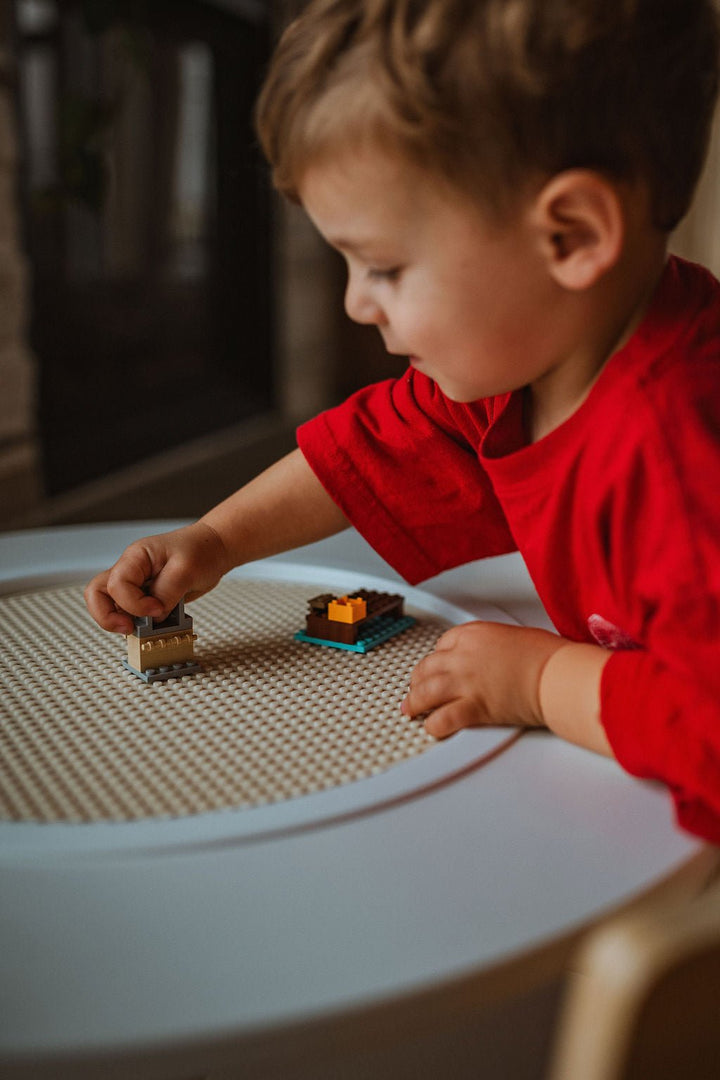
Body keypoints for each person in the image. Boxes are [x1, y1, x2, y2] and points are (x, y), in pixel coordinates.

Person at [85, 0, 720, 842]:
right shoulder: (526, 364)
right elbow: (369, 447)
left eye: (383, 266)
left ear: (568, 234)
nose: (354, 304)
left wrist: (542, 682)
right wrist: (217, 541)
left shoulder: (680, 460)